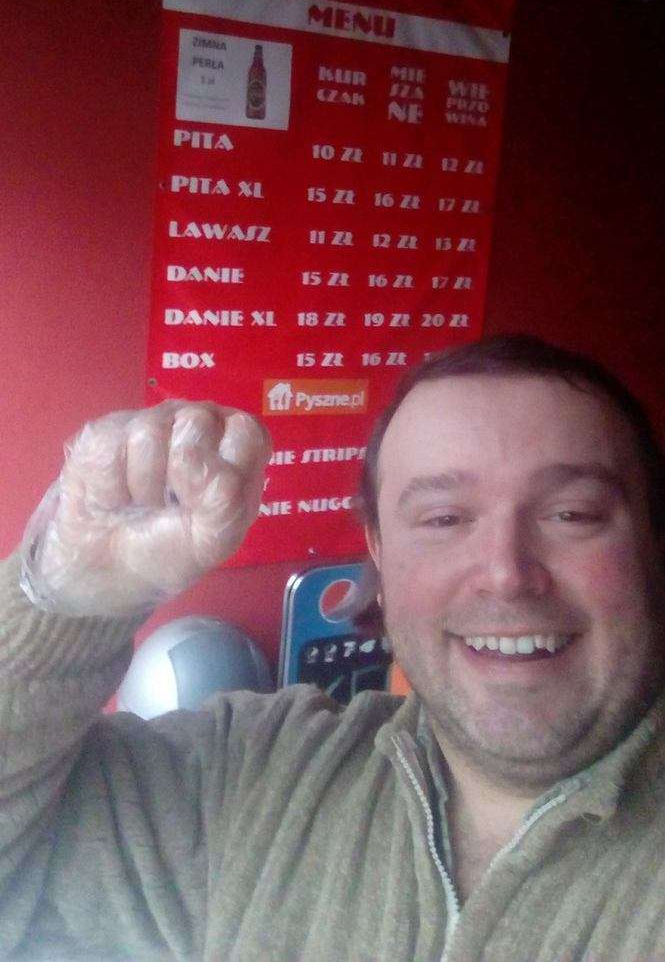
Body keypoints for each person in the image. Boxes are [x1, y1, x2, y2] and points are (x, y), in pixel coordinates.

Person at [1, 334, 665, 962]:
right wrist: (61, 604)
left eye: (572, 515)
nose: (506, 574)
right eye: (442, 519)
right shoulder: (251, 776)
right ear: (379, 550)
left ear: (651, 541)